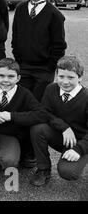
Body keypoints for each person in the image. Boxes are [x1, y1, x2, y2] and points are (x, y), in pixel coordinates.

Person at [30, 56, 88, 186]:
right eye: (61, 76)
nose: (65, 82)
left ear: (80, 77)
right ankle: (43, 169)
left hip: (81, 141)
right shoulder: (51, 89)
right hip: (62, 136)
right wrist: (64, 127)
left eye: (70, 77)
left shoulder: (86, 97)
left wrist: (78, 149)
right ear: (56, 75)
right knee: (37, 128)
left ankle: (83, 156)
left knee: (68, 172)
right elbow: (44, 113)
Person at [12, 0, 66, 101]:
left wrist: (50, 67)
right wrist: (19, 60)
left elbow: (59, 46)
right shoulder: (20, 9)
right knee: (21, 102)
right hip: (23, 67)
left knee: (38, 105)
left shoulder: (55, 15)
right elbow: (16, 38)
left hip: (43, 70)